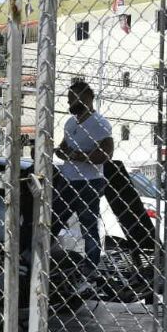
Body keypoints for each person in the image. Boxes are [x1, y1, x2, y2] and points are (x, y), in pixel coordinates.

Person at [55, 78, 114, 267]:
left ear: (87, 98)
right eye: (68, 98)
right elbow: (64, 148)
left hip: (89, 182)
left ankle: (91, 269)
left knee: (88, 228)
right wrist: (61, 151)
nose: (68, 102)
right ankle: (45, 263)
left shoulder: (100, 124)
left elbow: (104, 154)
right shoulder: (70, 123)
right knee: (52, 222)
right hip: (67, 180)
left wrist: (73, 154)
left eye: (72, 98)